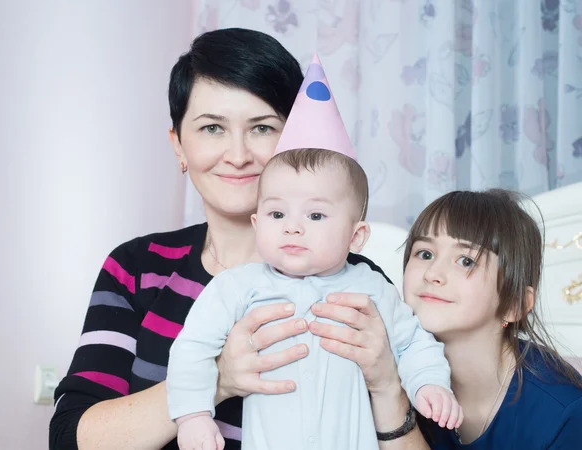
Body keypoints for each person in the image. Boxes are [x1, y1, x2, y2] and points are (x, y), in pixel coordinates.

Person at [49, 28, 426, 450]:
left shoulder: (356, 280)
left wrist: (389, 388)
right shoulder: (138, 267)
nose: (239, 153)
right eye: (212, 128)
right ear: (179, 147)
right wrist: (215, 381)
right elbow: (70, 438)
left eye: (263, 128)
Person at [167, 56, 461, 449]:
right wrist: (192, 415)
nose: (292, 226)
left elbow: (413, 343)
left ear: (356, 237)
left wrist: (429, 383)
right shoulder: (237, 287)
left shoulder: (370, 287)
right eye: (276, 213)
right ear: (258, 224)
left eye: (316, 214)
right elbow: (192, 347)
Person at [401, 189, 582, 448]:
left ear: (514, 303)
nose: (432, 273)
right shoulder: (385, 365)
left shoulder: (564, 412)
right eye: (425, 254)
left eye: (465, 260)